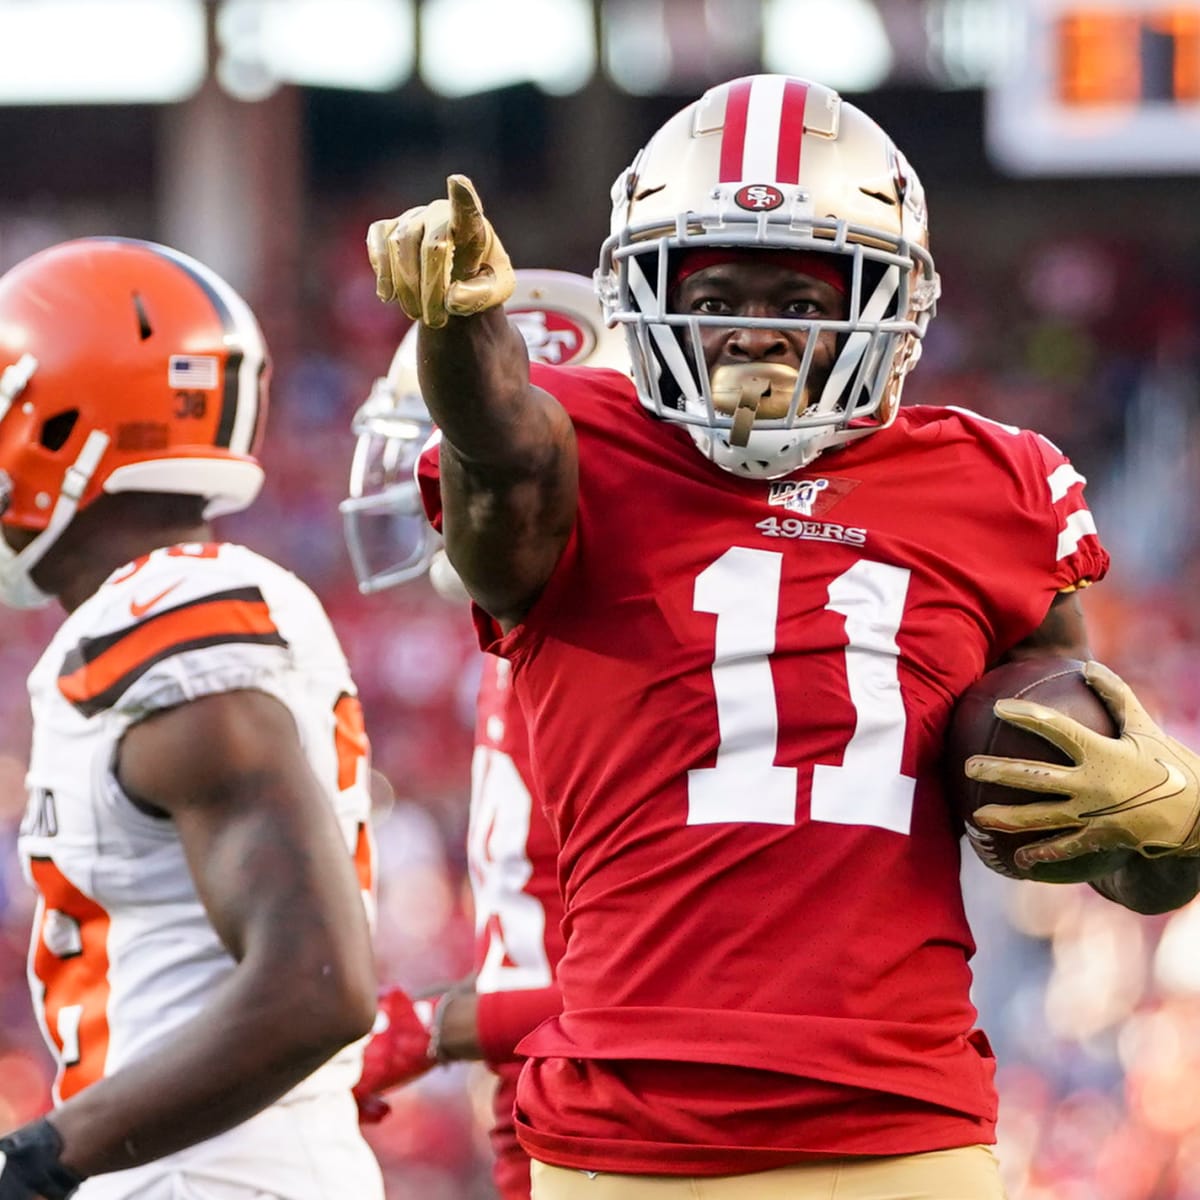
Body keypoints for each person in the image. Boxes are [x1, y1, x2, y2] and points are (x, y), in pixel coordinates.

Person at [365, 75, 1200, 1199]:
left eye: (802, 299)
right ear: (643, 299)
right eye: (713, 290)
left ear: (886, 304)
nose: (753, 328)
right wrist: (461, 334)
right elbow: (499, 465)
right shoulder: (585, 454)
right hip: (620, 1126)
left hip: (902, 1123)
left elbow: (1108, 841)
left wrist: (1173, 828)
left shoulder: (996, 486)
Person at [0, 238, 384, 1200]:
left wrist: (43, 1157)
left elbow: (318, 984)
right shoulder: (182, 601)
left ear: (58, 428)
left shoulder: (168, 619)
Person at [342, 270, 629, 1200]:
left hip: (622, 1133)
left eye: (459, 451)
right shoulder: (516, 650)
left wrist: (430, 1025)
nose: (423, 489)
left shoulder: (626, 662)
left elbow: (669, 975)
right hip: (552, 1112)